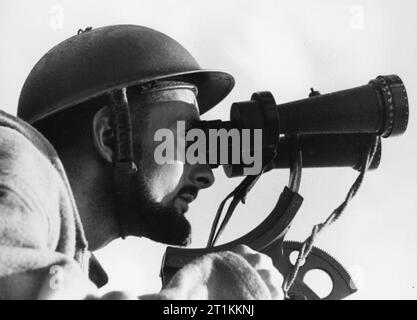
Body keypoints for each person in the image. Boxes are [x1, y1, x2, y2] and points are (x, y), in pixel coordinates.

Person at [0, 24, 283, 299]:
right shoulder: (17, 159)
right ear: (111, 135)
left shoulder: (72, 264)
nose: (207, 175)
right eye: (188, 140)